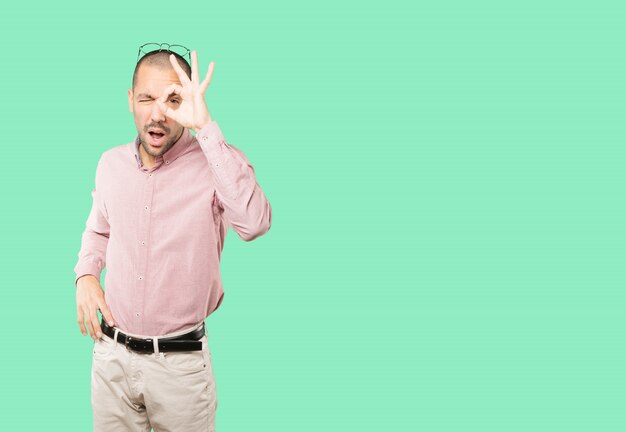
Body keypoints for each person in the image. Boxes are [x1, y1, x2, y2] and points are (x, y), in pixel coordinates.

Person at [73, 44, 272, 431]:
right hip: (111, 361)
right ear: (131, 100)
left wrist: (206, 128)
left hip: (179, 369)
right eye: (146, 98)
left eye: (174, 99)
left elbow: (254, 222)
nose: (158, 113)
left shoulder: (215, 164)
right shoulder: (109, 164)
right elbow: (99, 230)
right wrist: (84, 274)